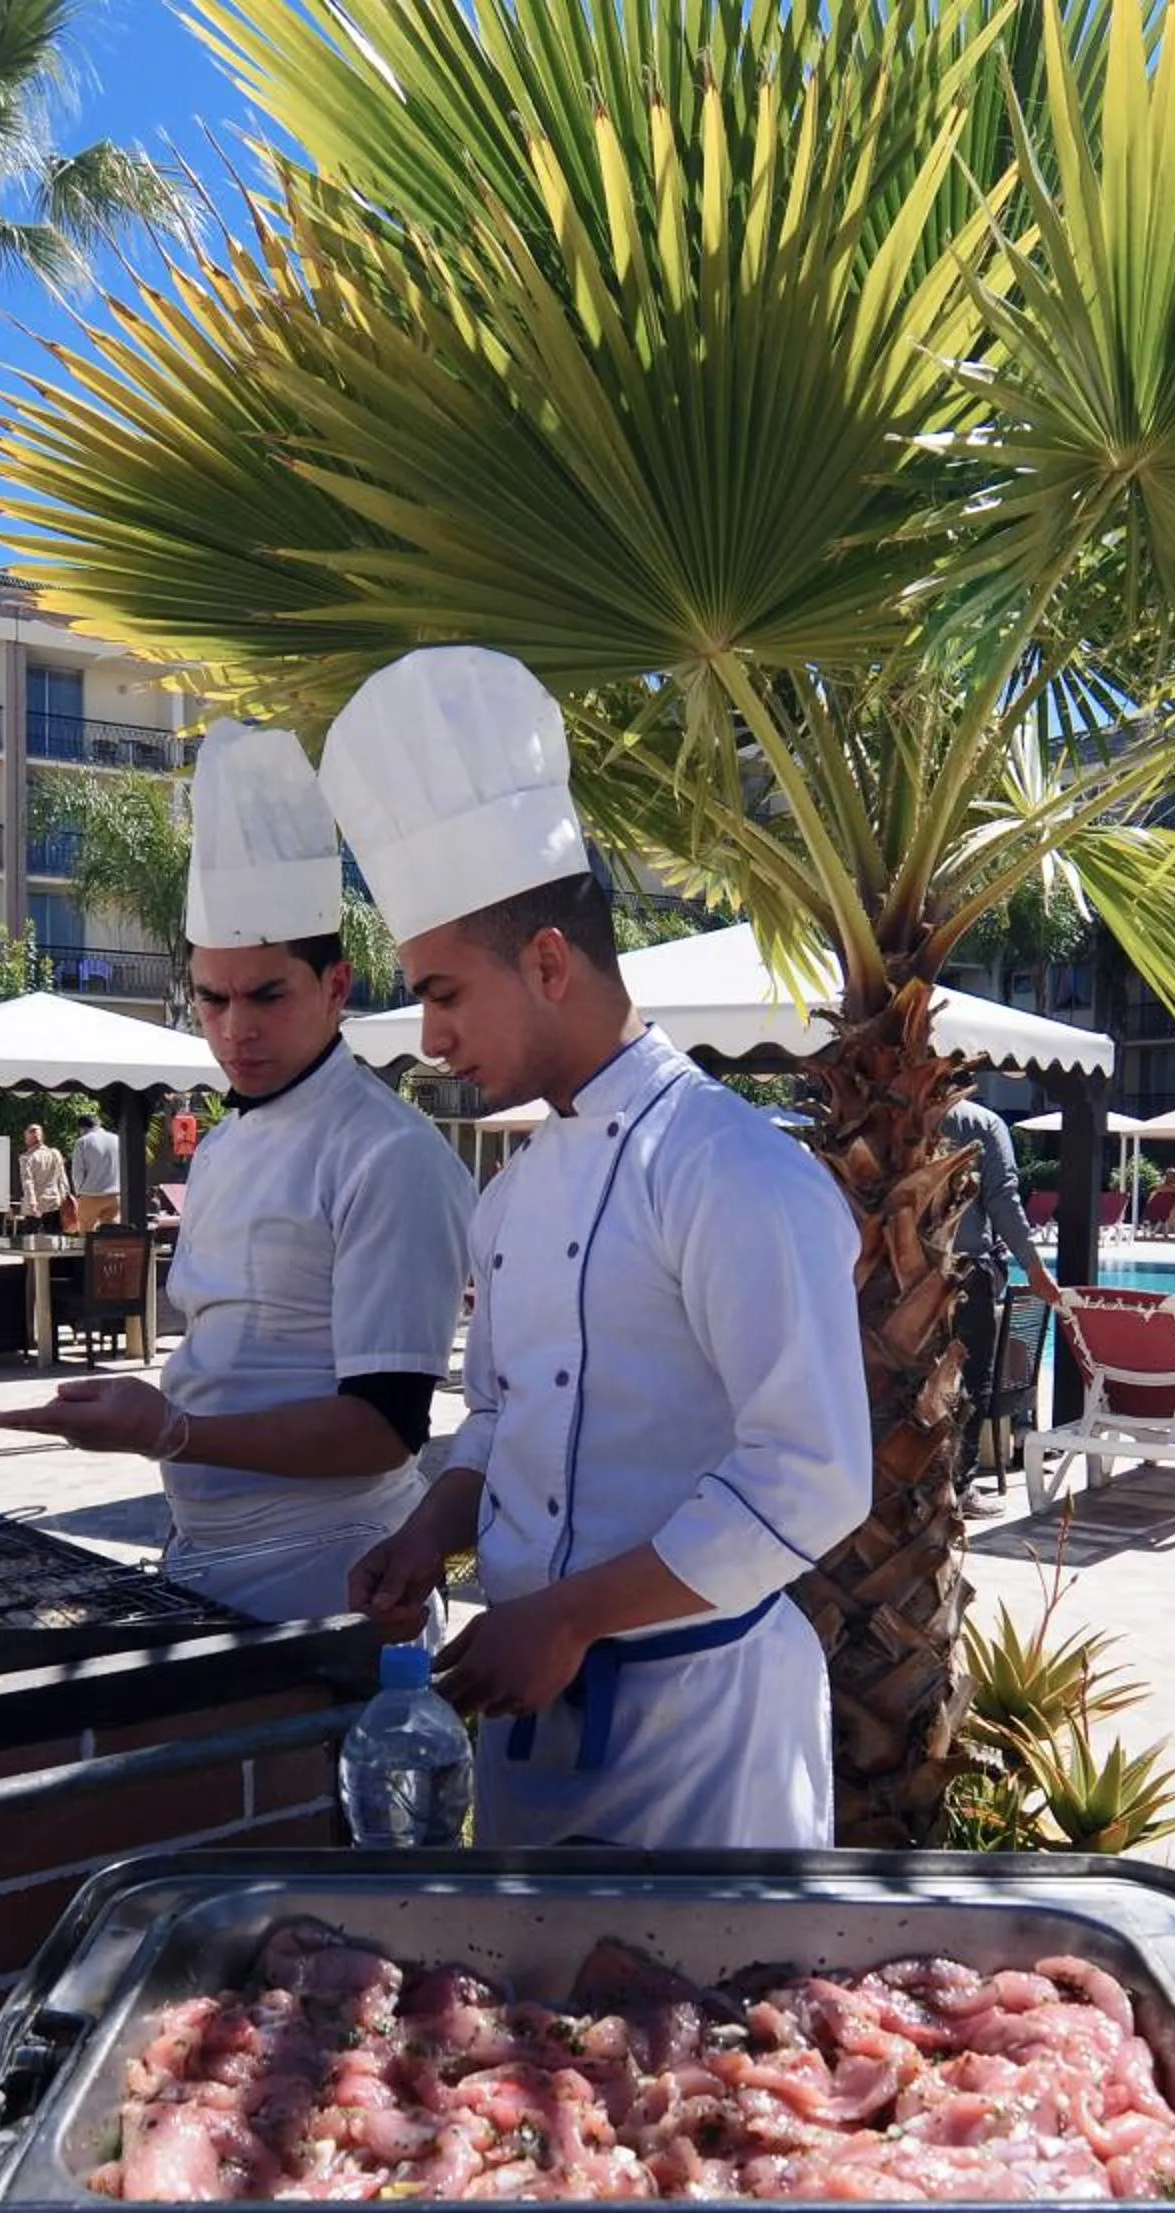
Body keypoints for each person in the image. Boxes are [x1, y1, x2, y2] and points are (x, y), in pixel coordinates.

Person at [325, 647, 873, 1851]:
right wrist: (427, 1534)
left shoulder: (733, 1170)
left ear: (548, 962)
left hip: (706, 1729)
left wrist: (571, 1617)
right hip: (527, 1708)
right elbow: (502, 1421)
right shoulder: (513, 1197)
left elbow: (813, 1475)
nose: (431, 1037)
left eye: (444, 993)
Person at [0, 724, 475, 1624]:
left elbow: (385, 1428)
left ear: (337, 987)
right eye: (213, 999)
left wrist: (171, 1432)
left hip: (336, 1578)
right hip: (202, 1562)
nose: (235, 1028)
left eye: (266, 996)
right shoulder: (223, 1144)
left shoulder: (389, 1153)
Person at [941, 1095, 1059, 1516]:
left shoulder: (888, 1110)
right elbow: (1003, 1199)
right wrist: (1035, 1268)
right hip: (966, 1273)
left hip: (893, 1276)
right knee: (970, 1385)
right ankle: (958, 1489)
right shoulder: (983, 1123)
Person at [66, 1112, 123, 1232]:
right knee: (111, 1234)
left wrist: (79, 1193)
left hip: (90, 1194)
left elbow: (77, 1172)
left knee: (86, 1234)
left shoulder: (82, 1142)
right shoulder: (116, 1139)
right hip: (114, 1194)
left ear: (82, 1128)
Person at [16, 1122, 69, 1227]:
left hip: (36, 1205)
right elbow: (62, 1177)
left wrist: (32, 1203)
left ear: (28, 1138)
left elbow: (28, 1182)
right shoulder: (54, 1153)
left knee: (32, 1235)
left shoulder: (27, 1158)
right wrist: (64, 1196)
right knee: (53, 1235)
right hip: (54, 1202)